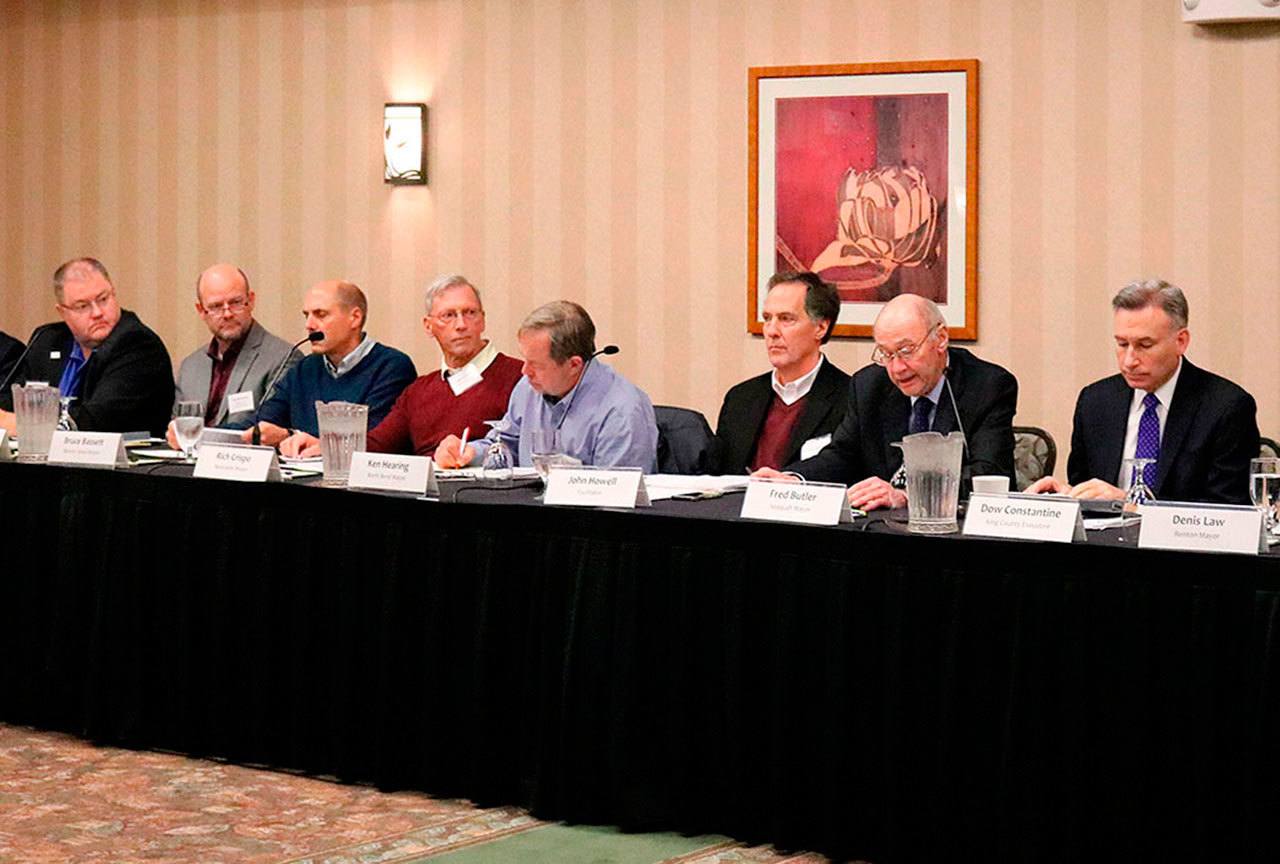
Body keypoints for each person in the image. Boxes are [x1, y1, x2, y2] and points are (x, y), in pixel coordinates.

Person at [754, 293, 1017, 511]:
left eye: (906, 351)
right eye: (886, 354)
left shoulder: (987, 386)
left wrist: (907, 495)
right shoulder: (869, 385)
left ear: (940, 339)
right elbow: (843, 455)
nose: (897, 368)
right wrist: (795, 480)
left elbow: (988, 475)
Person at [1026, 279, 1257, 504]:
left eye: (1145, 345)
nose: (1129, 361)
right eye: (1122, 344)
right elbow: (1087, 486)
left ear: (1181, 341)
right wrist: (1067, 496)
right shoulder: (1095, 401)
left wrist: (1131, 505)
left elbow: (1228, 510)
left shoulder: (1226, 408)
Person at [434, 300, 658, 472]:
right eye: (525, 359)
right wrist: (469, 452)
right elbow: (506, 444)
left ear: (573, 365)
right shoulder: (527, 388)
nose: (524, 371)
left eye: (536, 364)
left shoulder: (622, 411)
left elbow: (615, 498)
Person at [0, 258, 173, 436]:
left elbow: (99, 420)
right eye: (82, 306)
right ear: (63, 312)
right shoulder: (47, 340)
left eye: (103, 299)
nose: (97, 312)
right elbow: (11, 402)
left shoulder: (139, 345)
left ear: (114, 294)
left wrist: (21, 424)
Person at [355, 274, 523, 456]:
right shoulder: (417, 392)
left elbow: (522, 449)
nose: (461, 325)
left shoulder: (520, 378)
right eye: (448, 315)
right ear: (428, 326)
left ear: (482, 320)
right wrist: (334, 440)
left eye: (470, 313)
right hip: (425, 474)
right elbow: (377, 446)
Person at [248, 280, 416, 450]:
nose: (309, 325)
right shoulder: (304, 368)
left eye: (320, 315)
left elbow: (372, 441)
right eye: (307, 316)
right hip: (300, 466)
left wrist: (292, 435)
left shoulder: (392, 367)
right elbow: (265, 419)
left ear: (355, 318)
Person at [714, 271, 849, 474]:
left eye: (786, 319)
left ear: (820, 327)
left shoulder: (851, 399)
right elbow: (719, 477)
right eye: (767, 319)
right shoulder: (741, 398)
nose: (772, 331)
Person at [173, 264, 301, 429]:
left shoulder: (284, 358)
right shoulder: (190, 366)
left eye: (235, 302)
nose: (227, 314)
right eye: (216, 306)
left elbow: (267, 427)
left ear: (251, 301)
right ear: (201, 311)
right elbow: (179, 427)